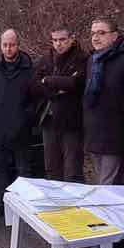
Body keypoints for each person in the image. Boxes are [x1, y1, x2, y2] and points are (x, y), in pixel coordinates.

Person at [0, 28, 35, 219]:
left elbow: (36, 99)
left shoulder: (29, 69)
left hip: (22, 130)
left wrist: (26, 116)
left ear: (18, 45)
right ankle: (0, 204)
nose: (8, 48)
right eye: (5, 45)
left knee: (23, 171)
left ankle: (24, 208)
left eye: (12, 44)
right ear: (0, 46)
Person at [82, 17, 124, 185]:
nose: (96, 38)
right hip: (94, 135)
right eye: (93, 33)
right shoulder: (93, 60)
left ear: (115, 36)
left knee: (107, 189)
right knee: (100, 186)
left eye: (101, 33)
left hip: (115, 138)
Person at [31, 25, 89, 182]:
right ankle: (57, 206)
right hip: (49, 121)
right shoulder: (45, 59)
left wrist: (49, 80)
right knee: (52, 169)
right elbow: (34, 85)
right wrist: (56, 91)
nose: (58, 44)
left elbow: (75, 84)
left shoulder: (82, 59)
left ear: (71, 39)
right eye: (55, 40)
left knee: (72, 171)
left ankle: (76, 206)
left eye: (62, 40)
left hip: (71, 122)